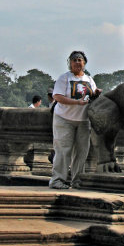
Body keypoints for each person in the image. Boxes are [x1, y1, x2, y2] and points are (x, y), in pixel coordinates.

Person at [49, 50, 101, 189]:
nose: (77, 62)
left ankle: (77, 180)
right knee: (63, 150)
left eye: (80, 60)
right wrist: (76, 102)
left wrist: (96, 94)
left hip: (83, 120)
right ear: (70, 63)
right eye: (74, 60)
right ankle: (57, 180)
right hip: (64, 118)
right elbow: (57, 96)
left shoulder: (89, 79)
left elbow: (93, 98)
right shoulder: (64, 78)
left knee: (82, 151)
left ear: (84, 63)